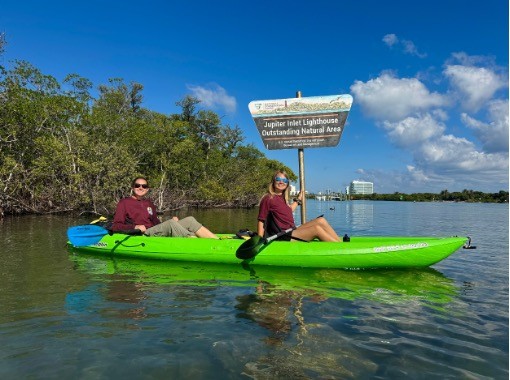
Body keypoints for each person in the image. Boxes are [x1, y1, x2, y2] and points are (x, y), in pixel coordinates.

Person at [111, 177, 218, 238]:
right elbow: (116, 226)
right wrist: (135, 227)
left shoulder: (149, 203)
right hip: (144, 234)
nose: (140, 188)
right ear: (132, 187)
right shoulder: (124, 202)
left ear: (147, 189)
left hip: (154, 230)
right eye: (137, 185)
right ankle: (195, 241)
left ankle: (216, 241)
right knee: (171, 224)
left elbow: (156, 223)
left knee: (189, 220)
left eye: (144, 186)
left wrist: (169, 221)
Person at [257, 171, 341, 242]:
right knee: (316, 229)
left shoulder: (282, 198)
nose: (281, 182)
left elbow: (288, 211)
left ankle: (340, 243)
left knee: (321, 220)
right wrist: (259, 239)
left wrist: (298, 199)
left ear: (287, 184)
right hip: (282, 235)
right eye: (278, 179)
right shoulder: (268, 198)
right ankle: (340, 249)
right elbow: (261, 220)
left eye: (284, 180)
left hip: (291, 230)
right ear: (273, 181)